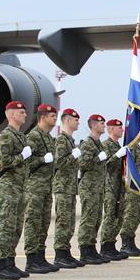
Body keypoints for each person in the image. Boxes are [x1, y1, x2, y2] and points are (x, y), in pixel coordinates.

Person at [0, 101, 32, 279]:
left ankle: (10, 261)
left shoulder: (21, 136)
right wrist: (21, 157)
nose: (24, 114)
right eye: (21, 112)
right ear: (11, 115)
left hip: (20, 187)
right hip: (8, 186)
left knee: (16, 227)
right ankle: (1, 265)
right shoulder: (5, 136)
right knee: (6, 226)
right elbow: (2, 161)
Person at [23, 103, 60, 274]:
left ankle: (40, 256)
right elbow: (27, 163)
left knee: (43, 223)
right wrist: (42, 160)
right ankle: (31, 259)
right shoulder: (34, 137)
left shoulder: (48, 137)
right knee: (33, 223)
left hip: (46, 187)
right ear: (43, 117)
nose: (55, 118)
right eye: (52, 116)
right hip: (35, 188)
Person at [52, 108, 85, 268]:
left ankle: (65, 251)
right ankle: (60, 254)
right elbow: (58, 163)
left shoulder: (70, 140)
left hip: (70, 187)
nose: (78, 121)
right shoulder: (61, 140)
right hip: (62, 187)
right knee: (63, 221)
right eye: (75, 119)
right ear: (66, 120)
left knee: (70, 221)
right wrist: (74, 156)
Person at [77, 113, 109, 265]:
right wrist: (99, 158)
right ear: (94, 125)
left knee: (96, 219)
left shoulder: (99, 144)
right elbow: (83, 164)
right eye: (102, 123)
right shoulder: (87, 144)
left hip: (98, 187)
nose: (104, 125)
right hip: (89, 187)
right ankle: (84, 250)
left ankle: (91, 248)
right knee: (88, 219)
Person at [99, 119, 129, 260]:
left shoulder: (118, 145)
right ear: (110, 129)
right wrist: (117, 156)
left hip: (119, 186)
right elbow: (106, 165)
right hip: (110, 186)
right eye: (119, 128)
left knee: (119, 216)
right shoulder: (106, 145)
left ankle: (112, 244)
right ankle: (105, 246)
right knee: (110, 215)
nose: (122, 130)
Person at [119, 132, 140, 256]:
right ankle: (126, 244)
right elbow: (126, 169)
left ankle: (131, 242)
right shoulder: (131, 148)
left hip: (138, 188)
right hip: (132, 188)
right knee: (130, 214)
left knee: (136, 215)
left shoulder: (137, 148)